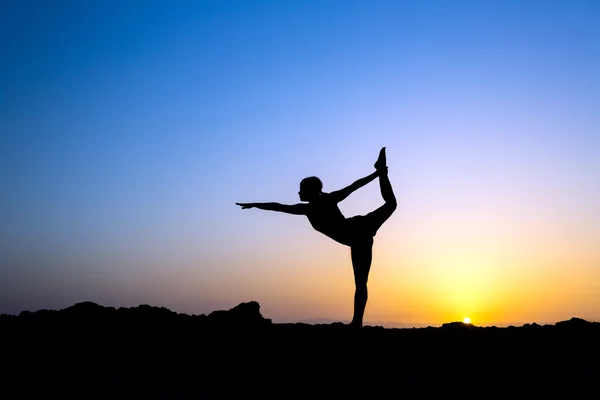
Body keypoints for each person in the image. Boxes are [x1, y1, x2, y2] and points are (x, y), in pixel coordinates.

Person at [236, 147, 397, 329]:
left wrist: (376, 174)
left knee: (361, 282)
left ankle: (357, 323)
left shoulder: (326, 201)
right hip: (358, 235)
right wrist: (254, 205)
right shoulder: (307, 209)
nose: (298, 193)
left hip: (359, 231)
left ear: (310, 191)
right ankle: (357, 322)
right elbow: (278, 206)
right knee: (361, 281)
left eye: (301, 190)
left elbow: (355, 185)